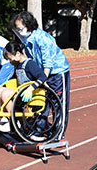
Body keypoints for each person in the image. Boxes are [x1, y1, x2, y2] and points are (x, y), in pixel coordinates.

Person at [10, 11, 70, 140]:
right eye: (17, 28)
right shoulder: (27, 38)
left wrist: (42, 79)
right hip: (43, 72)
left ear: (28, 24)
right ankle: (39, 129)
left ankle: (58, 132)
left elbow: (48, 62)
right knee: (42, 101)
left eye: (20, 28)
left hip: (57, 72)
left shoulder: (43, 38)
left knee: (58, 103)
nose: (19, 31)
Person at [0, 42, 48, 133]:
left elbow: (42, 77)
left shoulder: (30, 64)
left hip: (30, 95)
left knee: (5, 93)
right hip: (21, 93)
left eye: (10, 59)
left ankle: (15, 121)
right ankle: (5, 117)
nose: (10, 61)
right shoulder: (18, 65)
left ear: (18, 54)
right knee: (0, 90)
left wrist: (31, 88)